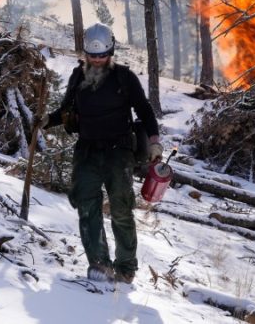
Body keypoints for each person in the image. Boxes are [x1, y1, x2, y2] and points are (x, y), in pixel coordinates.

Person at [38, 22, 162, 284]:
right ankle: (99, 264)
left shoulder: (125, 78)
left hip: (119, 152)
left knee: (121, 208)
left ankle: (126, 267)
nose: (96, 61)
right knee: (87, 205)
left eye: (102, 56)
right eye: (92, 56)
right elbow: (66, 112)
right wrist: (45, 121)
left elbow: (145, 110)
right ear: (85, 53)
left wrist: (154, 142)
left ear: (111, 51)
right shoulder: (77, 77)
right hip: (87, 151)